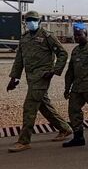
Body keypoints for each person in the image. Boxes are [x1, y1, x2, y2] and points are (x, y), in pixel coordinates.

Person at [7, 10, 72, 152]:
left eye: (33, 20)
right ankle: (65, 129)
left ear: (39, 22)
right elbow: (19, 60)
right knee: (43, 106)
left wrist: (54, 71)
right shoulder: (24, 38)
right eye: (28, 20)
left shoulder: (47, 36)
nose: (31, 22)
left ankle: (24, 141)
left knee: (29, 107)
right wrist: (14, 78)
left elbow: (62, 53)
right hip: (31, 78)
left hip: (42, 77)